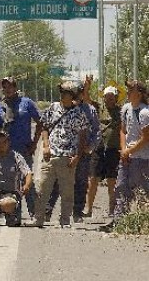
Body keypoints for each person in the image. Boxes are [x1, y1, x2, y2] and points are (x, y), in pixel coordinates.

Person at [34, 80, 89, 228]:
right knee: (43, 188)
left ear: (72, 95)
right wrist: (45, 145)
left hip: (67, 157)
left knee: (67, 192)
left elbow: (83, 136)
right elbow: (44, 126)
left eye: (66, 93)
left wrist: (77, 156)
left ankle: (65, 220)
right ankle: (38, 218)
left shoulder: (78, 113)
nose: (63, 95)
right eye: (62, 92)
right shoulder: (53, 108)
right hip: (50, 155)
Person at [45, 77, 100, 223]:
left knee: (80, 183)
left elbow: (96, 132)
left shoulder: (90, 110)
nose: (78, 96)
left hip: (82, 154)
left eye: (80, 92)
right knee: (57, 182)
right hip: (64, 152)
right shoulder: (64, 107)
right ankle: (48, 211)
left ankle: (77, 212)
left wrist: (90, 147)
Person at [100, 80, 149, 232]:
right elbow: (123, 130)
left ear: (139, 94)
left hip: (141, 158)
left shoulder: (144, 112)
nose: (127, 92)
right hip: (127, 156)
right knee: (120, 187)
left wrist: (130, 150)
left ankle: (142, 220)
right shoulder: (126, 109)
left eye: (130, 90)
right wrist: (124, 149)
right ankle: (119, 220)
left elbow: (146, 138)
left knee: (140, 189)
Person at [0, 76, 42, 219]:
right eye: (5, 87)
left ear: (15, 88)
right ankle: (11, 212)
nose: (7, 89)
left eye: (10, 86)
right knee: (8, 182)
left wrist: (34, 144)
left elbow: (40, 123)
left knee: (27, 181)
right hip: (6, 152)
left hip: (24, 149)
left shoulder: (26, 103)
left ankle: (34, 213)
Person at [85, 86, 121, 218]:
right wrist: (88, 85)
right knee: (93, 179)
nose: (109, 98)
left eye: (112, 96)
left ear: (116, 98)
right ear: (104, 97)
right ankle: (88, 210)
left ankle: (112, 211)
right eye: (107, 96)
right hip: (99, 148)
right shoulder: (99, 108)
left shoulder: (122, 111)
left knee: (112, 181)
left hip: (114, 150)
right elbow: (86, 98)